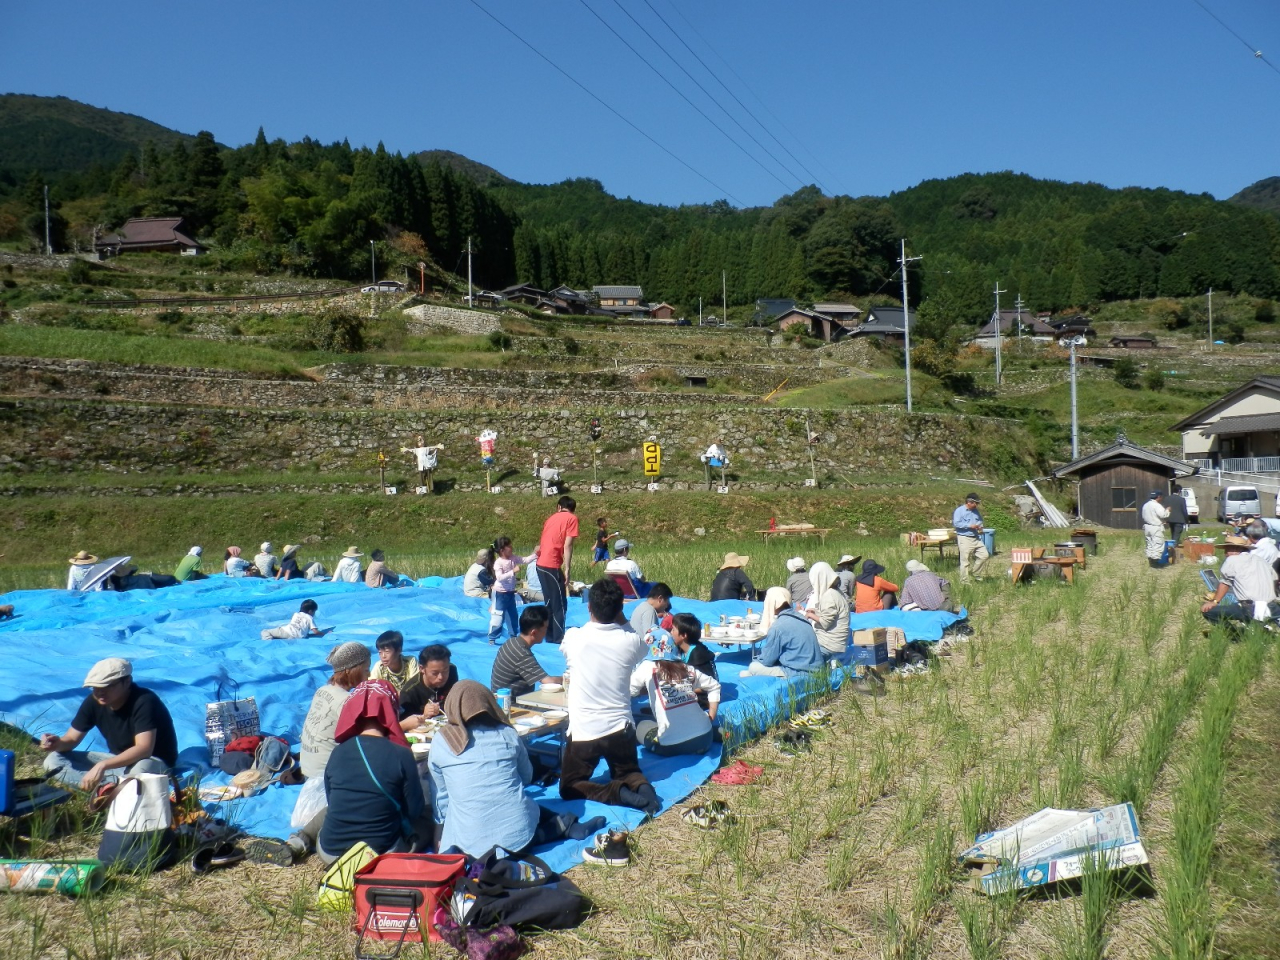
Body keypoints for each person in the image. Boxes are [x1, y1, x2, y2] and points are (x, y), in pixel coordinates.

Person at [429, 681, 605, 858]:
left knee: (475, 809)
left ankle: (559, 828)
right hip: (518, 837)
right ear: (489, 703)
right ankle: (565, 826)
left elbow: (441, 797)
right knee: (520, 806)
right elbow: (526, 777)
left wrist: (439, 833)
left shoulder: (442, 741)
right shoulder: (507, 733)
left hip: (470, 850)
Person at [559, 577, 658, 814]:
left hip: (585, 730)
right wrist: (621, 618)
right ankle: (644, 790)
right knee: (630, 772)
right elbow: (639, 641)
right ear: (620, 609)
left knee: (569, 786)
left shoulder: (574, 637)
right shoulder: (630, 641)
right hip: (621, 729)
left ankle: (615, 793)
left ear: (589, 607)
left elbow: (568, 647)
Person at [316, 680, 428, 865]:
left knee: (333, 809)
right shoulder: (401, 754)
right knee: (427, 818)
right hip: (379, 854)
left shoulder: (338, 751)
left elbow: (331, 797)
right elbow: (413, 811)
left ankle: (299, 840)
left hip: (330, 853)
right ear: (391, 711)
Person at [40, 657, 178, 791]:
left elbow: (144, 749)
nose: (100, 692)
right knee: (53, 760)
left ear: (127, 681)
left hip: (151, 761)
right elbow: (71, 739)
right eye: (95, 687)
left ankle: (112, 788)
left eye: (107, 686)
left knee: (139, 772)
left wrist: (102, 766)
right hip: (116, 761)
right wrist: (57, 743)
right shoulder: (94, 701)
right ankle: (106, 789)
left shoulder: (144, 701)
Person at [289, 642, 371, 860]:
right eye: (365, 669)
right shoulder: (347, 701)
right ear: (351, 670)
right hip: (326, 776)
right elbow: (371, 739)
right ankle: (317, 838)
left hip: (309, 768)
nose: (369, 674)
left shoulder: (323, 690)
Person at [630, 633, 721, 756]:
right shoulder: (685, 667)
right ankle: (720, 732)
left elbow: (628, 691)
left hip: (671, 747)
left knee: (641, 724)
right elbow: (714, 685)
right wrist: (711, 716)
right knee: (697, 723)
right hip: (705, 739)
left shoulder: (647, 667)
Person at [740, 587, 825, 678]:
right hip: (817, 668)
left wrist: (757, 658)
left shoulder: (777, 627)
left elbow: (767, 660)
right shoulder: (802, 618)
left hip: (798, 672)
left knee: (754, 667)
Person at [1201, 538, 1278, 629]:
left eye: (1227, 550)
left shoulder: (1232, 560)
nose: (1225, 553)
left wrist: (1214, 601)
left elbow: (1225, 583)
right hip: (1272, 607)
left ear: (1235, 549)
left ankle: (1235, 635)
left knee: (1208, 611)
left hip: (1250, 608)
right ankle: (1256, 627)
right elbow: (1274, 580)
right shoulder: (1261, 560)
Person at [490, 606, 561, 698]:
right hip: (511, 706)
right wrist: (568, 679)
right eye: (546, 628)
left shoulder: (512, 642)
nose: (546, 632)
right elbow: (549, 683)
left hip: (501, 702)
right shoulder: (520, 653)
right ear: (534, 633)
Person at [536, 495, 579, 644]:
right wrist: (567, 568)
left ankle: (549, 635)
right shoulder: (571, 519)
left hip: (540, 564)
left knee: (549, 602)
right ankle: (558, 638)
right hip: (552, 564)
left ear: (559, 507)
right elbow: (567, 545)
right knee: (559, 604)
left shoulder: (551, 518)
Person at [399, 644, 460, 729]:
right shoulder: (409, 692)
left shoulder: (452, 671)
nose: (441, 677)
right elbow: (404, 724)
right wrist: (424, 716)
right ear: (422, 669)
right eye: (435, 673)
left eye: (445, 671)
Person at [489, 538, 536, 642]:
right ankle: (493, 637)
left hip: (510, 593)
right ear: (502, 550)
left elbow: (525, 560)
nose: (511, 548)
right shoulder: (499, 563)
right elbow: (499, 577)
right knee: (498, 616)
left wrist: (536, 554)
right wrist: (513, 571)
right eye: (509, 546)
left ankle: (513, 635)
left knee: (512, 615)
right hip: (500, 593)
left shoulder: (513, 558)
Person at [804, 561, 850, 660]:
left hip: (829, 643)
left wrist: (809, 615)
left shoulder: (829, 596)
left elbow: (826, 622)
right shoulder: (836, 592)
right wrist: (815, 611)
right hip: (838, 642)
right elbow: (830, 613)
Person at [953, 493, 990, 583]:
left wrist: (980, 526)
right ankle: (964, 581)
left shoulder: (975, 511)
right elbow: (956, 523)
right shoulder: (959, 511)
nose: (977, 505)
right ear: (969, 502)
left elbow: (980, 521)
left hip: (976, 537)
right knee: (965, 561)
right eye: (975, 503)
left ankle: (976, 573)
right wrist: (969, 526)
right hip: (964, 538)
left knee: (984, 555)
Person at [1141, 492, 1171, 568]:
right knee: (1157, 544)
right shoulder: (1157, 505)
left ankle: (1150, 561)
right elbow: (1163, 515)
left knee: (1150, 544)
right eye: (1161, 497)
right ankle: (1155, 563)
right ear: (1158, 497)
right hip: (1155, 527)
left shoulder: (1146, 505)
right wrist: (1168, 510)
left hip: (1147, 526)